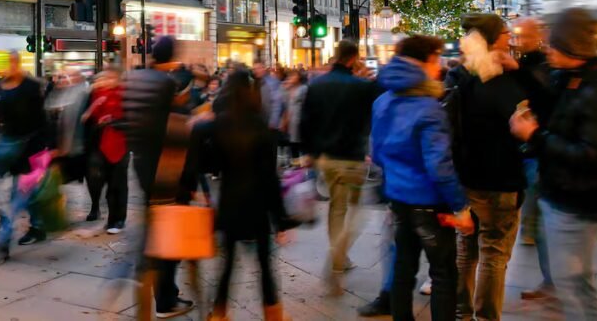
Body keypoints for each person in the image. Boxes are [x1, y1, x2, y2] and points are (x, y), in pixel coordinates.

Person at [510, 8, 597, 320]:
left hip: (576, 202)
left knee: (571, 283)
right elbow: (547, 97)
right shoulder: (575, 79)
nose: (546, 48)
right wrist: (518, 71)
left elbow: (592, 156)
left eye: (552, 43)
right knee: (574, 282)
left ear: (570, 47)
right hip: (563, 195)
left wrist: (533, 135)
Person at [371, 35, 474, 321]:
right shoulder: (430, 107)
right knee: (443, 273)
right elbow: (439, 165)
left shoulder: (382, 101)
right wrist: (460, 208)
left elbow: (377, 153)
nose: (439, 65)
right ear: (424, 61)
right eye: (436, 58)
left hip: (398, 198)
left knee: (403, 268)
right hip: (430, 202)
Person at [446, 14, 527, 321]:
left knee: (467, 251)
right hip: (500, 179)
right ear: (492, 40)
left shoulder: (460, 79)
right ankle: (487, 317)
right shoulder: (503, 82)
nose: (510, 37)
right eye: (505, 33)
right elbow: (526, 125)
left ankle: (462, 313)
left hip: (466, 177)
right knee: (494, 253)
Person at [202, 69, 296, 321]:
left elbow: (211, 164)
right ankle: (273, 314)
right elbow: (269, 177)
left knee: (228, 264)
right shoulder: (261, 126)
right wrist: (281, 219)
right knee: (265, 264)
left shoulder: (219, 124)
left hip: (231, 201)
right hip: (258, 204)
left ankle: (219, 314)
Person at [121, 36, 196, 319]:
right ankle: (166, 298)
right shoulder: (166, 84)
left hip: (140, 164)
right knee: (170, 232)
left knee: (156, 225)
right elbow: (176, 121)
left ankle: (154, 282)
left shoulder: (134, 78)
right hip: (164, 167)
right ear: (172, 57)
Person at [299, 40, 379, 293]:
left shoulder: (317, 84)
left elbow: (306, 121)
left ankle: (340, 257)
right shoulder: (361, 87)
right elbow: (372, 118)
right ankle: (336, 262)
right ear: (353, 58)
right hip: (352, 158)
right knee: (357, 213)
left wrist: (310, 153)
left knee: (336, 208)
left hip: (326, 158)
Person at [0, 51, 50, 266]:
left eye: (13, 61)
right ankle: (39, 226)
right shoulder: (3, 87)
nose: (10, 65)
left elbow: (43, 120)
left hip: (32, 153)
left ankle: (2, 244)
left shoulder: (32, 87)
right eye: (8, 62)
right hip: (10, 153)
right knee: (17, 198)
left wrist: (50, 149)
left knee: (15, 201)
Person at [511, 17, 555, 301]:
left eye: (522, 34)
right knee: (539, 219)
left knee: (544, 222)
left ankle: (555, 281)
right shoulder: (531, 65)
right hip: (532, 152)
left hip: (540, 152)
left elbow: (542, 94)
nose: (517, 39)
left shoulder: (540, 68)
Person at [83, 68, 129, 233]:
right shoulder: (95, 94)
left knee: (117, 184)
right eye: (104, 78)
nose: (106, 81)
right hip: (99, 143)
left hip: (119, 144)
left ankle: (118, 220)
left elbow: (131, 120)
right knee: (102, 181)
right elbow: (86, 118)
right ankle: (111, 218)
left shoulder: (124, 95)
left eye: (110, 77)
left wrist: (112, 121)